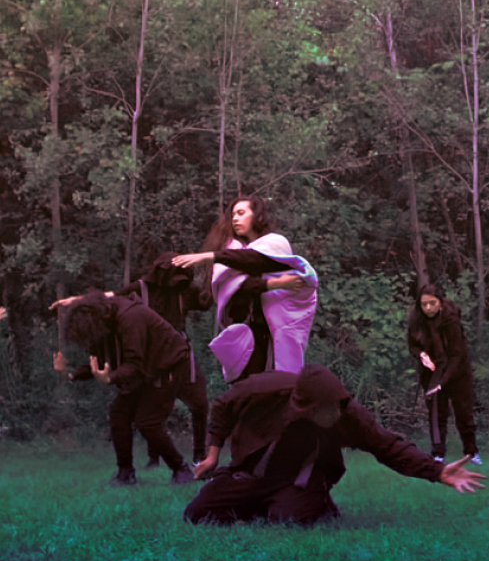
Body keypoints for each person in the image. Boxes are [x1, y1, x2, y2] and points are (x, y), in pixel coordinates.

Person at [184, 364, 485, 525]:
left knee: (290, 521)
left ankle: (311, 505)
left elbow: (389, 446)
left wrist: (437, 471)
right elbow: (223, 405)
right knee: (197, 514)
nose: (334, 414)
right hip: (255, 474)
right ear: (307, 407)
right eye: (326, 409)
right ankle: (252, 498)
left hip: (300, 481)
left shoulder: (348, 415)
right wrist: (212, 454)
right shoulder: (268, 388)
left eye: (337, 406)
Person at [51, 252, 211, 465]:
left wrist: (218, 271)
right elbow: (112, 296)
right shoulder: (138, 292)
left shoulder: (180, 294)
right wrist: (78, 302)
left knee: (190, 406)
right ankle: (146, 464)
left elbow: (206, 301)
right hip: (147, 356)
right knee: (130, 414)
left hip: (172, 354)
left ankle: (195, 459)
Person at [53, 291, 196, 486]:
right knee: (119, 414)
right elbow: (100, 365)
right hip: (146, 369)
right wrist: (68, 373)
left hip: (168, 365)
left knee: (147, 421)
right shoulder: (105, 321)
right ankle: (125, 473)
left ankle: (181, 470)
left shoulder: (131, 318)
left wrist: (110, 378)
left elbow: (134, 365)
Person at [172, 196, 318, 384]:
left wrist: (211, 256)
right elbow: (237, 290)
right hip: (248, 336)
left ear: (257, 216)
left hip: (274, 334)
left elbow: (256, 260)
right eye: (233, 215)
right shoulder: (233, 252)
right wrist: (272, 285)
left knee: (276, 386)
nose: (235, 219)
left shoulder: (274, 243)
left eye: (241, 213)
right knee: (247, 391)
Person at [407, 284, 480, 464]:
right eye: (424, 304)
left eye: (432, 303)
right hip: (432, 371)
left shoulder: (451, 320)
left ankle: (471, 452)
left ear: (440, 302)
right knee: (436, 413)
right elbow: (412, 344)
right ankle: (438, 454)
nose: (428, 308)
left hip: (457, 371)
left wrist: (443, 382)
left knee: (463, 412)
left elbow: (457, 354)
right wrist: (422, 355)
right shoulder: (416, 320)